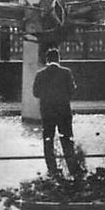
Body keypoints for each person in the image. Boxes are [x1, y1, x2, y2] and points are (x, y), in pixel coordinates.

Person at [32, 48, 81, 176]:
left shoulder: (40, 74)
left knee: (48, 138)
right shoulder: (66, 72)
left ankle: (52, 169)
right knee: (67, 138)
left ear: (47, 60)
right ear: (59, 58)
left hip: (47, 111)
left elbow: (35, 93)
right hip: (63, 110)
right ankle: (72, 168)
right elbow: (72, 90)